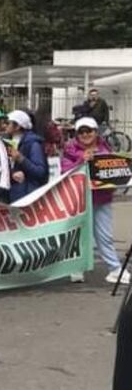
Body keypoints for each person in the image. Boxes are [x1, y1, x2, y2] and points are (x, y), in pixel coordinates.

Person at [63, 117, 124, 283]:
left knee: (104, 235)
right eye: (81, 132)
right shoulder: (69, 150)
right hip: (79, 200)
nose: (85, 135)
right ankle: (76, 268)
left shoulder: (106, 149)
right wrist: (81, 160)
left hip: (102, 199)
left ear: (96, 132)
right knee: (78, 234)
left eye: (89, 131)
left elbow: (115, 173)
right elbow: (65, 171)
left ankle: (115, 269)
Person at [5, 109, 47, 203]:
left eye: (8, 123)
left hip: (26, 194)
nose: (5, 125)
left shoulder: (33, 144)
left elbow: (40, 171)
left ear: (18, 126)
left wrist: (21, 159)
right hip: (11, 192)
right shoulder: (6, 141)